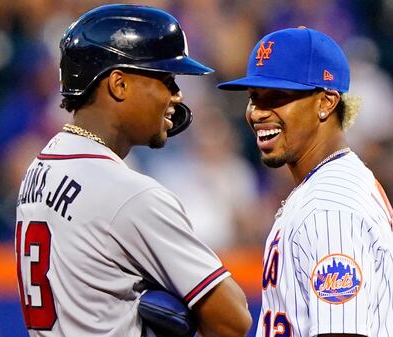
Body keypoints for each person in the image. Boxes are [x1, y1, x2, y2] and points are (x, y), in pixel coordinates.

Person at [14, 4, 251, 337]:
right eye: (165, 79)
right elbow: (234, 320)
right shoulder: (129, 193)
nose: (177, 94)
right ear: (119, 84)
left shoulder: (39, 168)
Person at [218, 27, 393, 337]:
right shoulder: (330, 185)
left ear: (326, 102)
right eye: (254, 97)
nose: (257, 113)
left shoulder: (330, 205)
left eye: (277, 97)